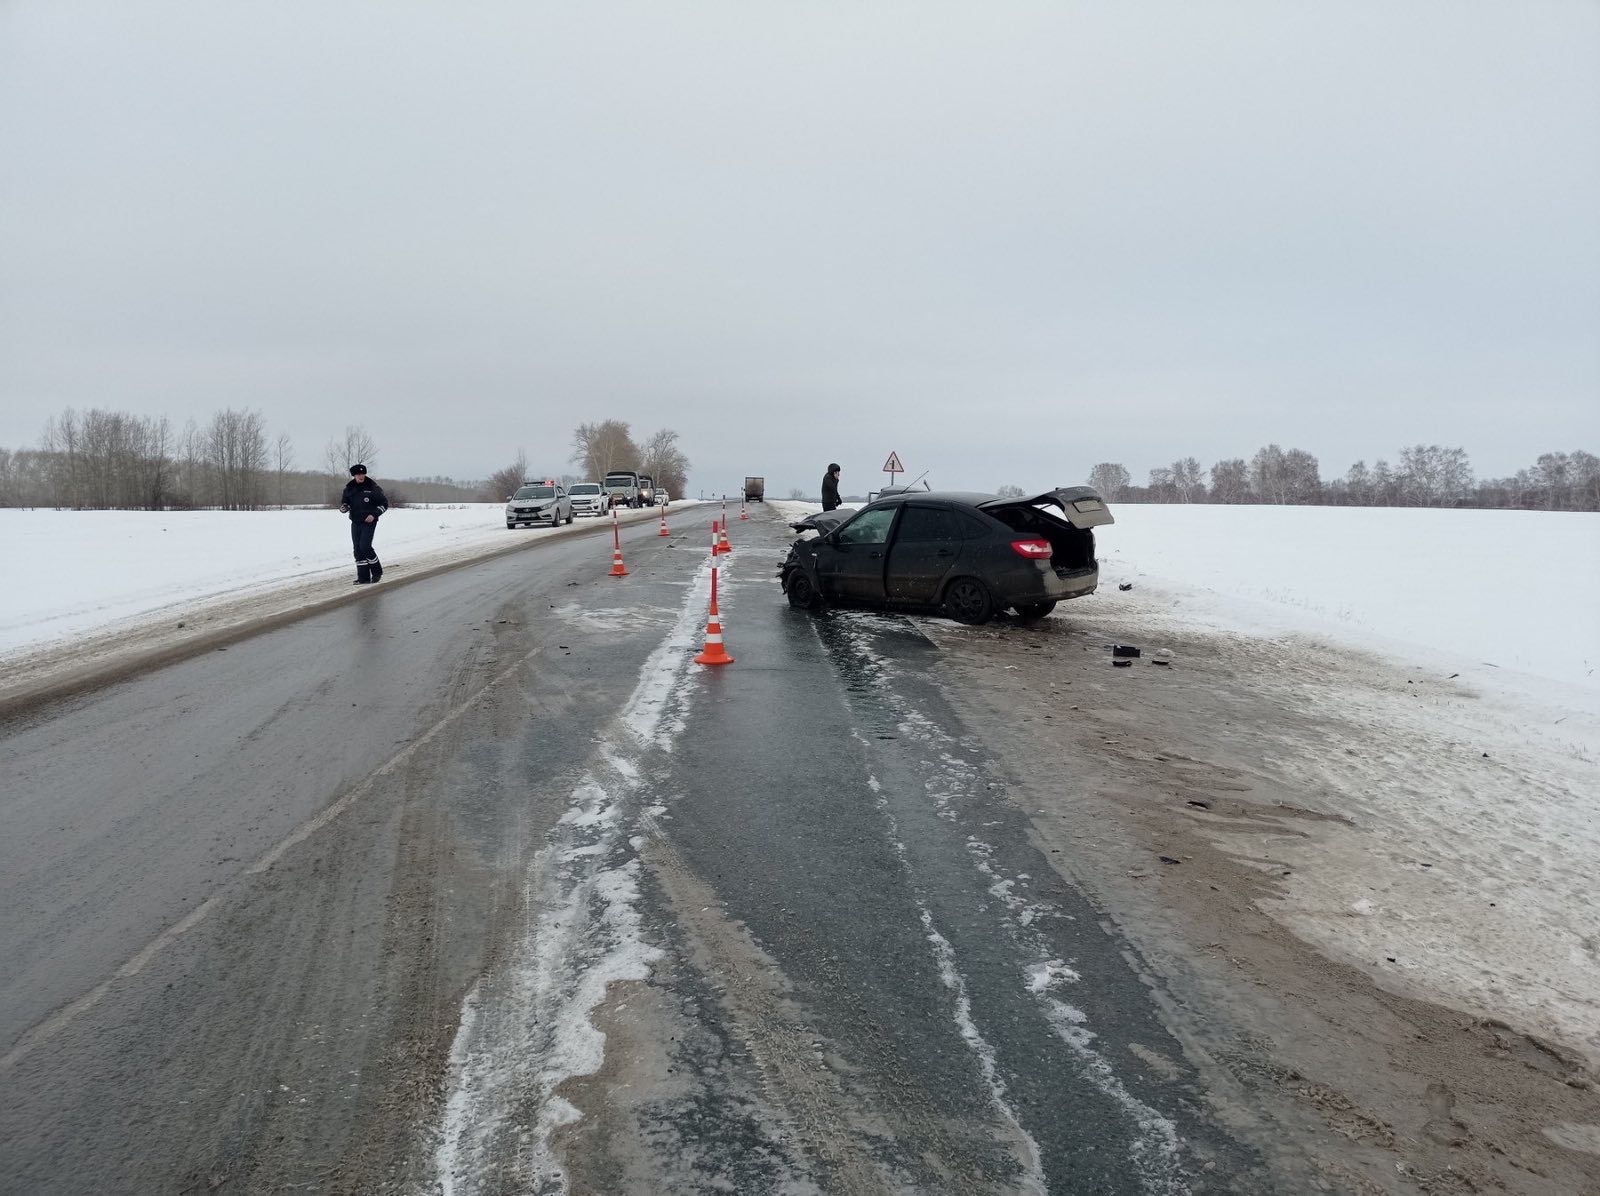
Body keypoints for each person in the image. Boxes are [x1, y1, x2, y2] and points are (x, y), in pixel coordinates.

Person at [340, 464, 388, 584]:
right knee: (357, 549)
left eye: (362, 474)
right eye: (358, 474)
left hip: (369, 521)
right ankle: (363, 578)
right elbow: (346, 503)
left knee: (365, 546)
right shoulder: (349, 488)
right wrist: (344, 508)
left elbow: (384, 504)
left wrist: (374, 514)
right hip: (355, 521)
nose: (361, 476)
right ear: (354, 475)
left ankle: (377, 572)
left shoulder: (373, 487)